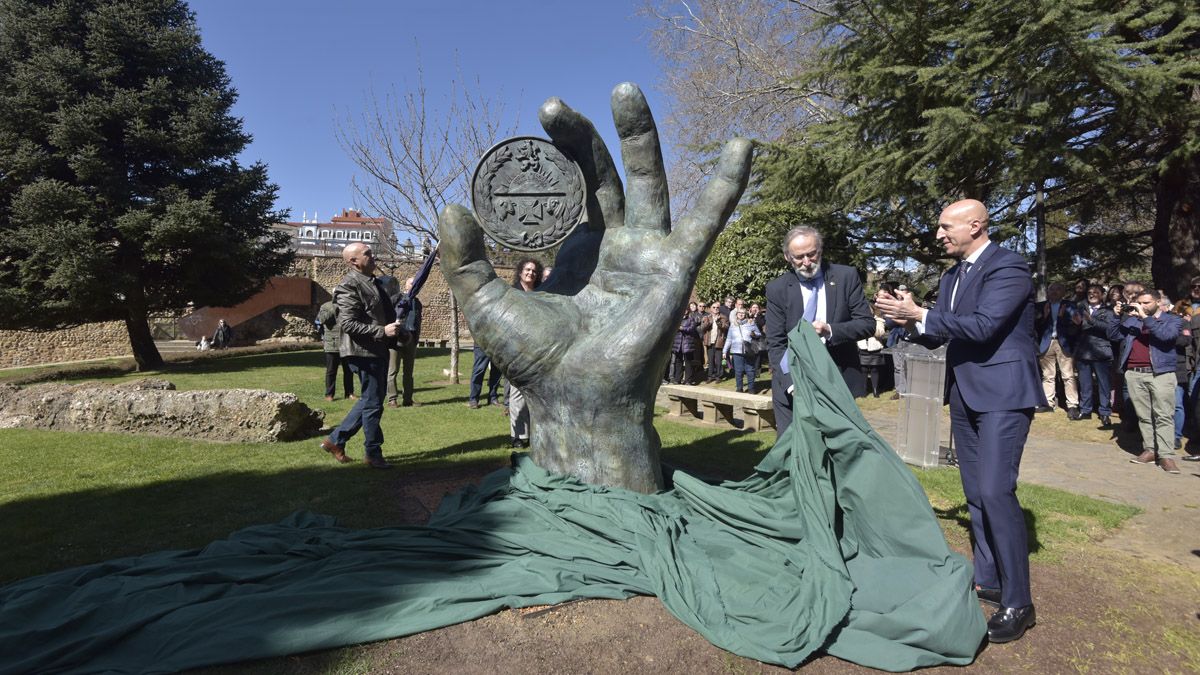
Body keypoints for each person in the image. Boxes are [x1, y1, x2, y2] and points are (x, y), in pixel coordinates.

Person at [875, 199, 1043, 643]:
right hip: (965, 394)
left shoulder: (1009, 267)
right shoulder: (952, 275)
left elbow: (985, 325)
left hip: (1005, 394)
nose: (938, 235)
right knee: (975, 493)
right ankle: (987, 579)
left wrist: (921, 314)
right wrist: (906, 316)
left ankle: (1018, 600)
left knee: (995, 489)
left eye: (946, 226)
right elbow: (940, 331)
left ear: (976, 224)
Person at [765, 225, 874, 434]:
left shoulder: (845, 277)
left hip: (837, 380)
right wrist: (791, 384)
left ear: (820, 250)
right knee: (794, 452)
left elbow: (866, 323)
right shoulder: (777, 288)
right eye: (799, 257)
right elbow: (776, 342)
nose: (806, 262)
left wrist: (830, 331)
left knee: (839, 452)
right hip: (794, 382)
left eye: (811, 254)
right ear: (787, 257)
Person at [319, 242, 407, 469]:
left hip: (375, 350)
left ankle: (336, 440)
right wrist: (381, 331)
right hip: (362, 352)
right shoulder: (349, 285)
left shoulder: (374, 283)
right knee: (373, 404)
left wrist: (398, 331)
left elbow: (383, 315)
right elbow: (347, 323)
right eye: (367, 253)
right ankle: (372, 453)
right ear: (353, 261)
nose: (372, 255)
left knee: (370, 400)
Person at [1110, 290, 1184, 473]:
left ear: (1158, 302)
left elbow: (1166, 337)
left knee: (1164, 415)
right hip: (1135, 373)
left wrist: (1144, 317)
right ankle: (1150, 450)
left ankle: (1166, 455)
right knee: (1144, 415)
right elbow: (1114, 335)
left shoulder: (1171, 320)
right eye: (1140, 303)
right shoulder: (1133, 320)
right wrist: (1116, 316)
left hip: (1160, 373)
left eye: (1146, 303)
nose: (1142, 306)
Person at [507, 258, 542, 448]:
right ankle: (518, 436)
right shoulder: (512, 293)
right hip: (517, 350)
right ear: (520, 272)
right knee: (517, 393)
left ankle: (536, 434)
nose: (531, 273)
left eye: (534, 271)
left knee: (537, 395)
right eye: (527, 270)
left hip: (538, 350)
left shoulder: (540, 293)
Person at [1034, 282, 1080, 417]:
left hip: (1063, 343)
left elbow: (1075, 325)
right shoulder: (1041, 306)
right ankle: (1048, 403)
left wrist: (1061, 318)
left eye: (1058, 289)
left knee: (1068, 375)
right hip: (1046, 343)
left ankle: (1072, 405)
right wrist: (1045, 315)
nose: (1054, 292)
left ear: (1063, 292)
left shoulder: (1070, 306)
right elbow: (1036, 326)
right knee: (1048, 376)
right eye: (1052, 289)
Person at [1073, 284, 1116, 425]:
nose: (1092, 295)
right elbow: (1073, 330)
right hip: (1083, 351)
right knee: (1085, 383)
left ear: (1102, 294)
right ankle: (1085, 410)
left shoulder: (1108, 310)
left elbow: (1109, 329)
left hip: (1100, 351)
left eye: (1096, 292)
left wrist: (1091, 320)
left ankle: (1104, 412)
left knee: (1104, 384)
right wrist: (1075, 324)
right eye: (1090, 292)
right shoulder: (1080, 308)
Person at [386, 277, 423, 408]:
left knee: (408, 372)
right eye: (411, 283)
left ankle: (408, 399)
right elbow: (388, 314)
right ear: (406, 285)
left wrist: (416, 338)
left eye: (415, 284)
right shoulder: (397, 298)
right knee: (392, 371)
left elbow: (418, 322)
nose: (413, 286)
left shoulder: (417, 303)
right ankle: (392, 399)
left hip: (411, 340)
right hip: (395, 340)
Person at [316, 299, 355, 401]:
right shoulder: (325, 306)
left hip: (346, 343)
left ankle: (349, 393)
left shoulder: (348, 304)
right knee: (331, 371)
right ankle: (329, 395)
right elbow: (322, 319)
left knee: (349, 371)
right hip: (332, 344)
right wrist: (334, 308)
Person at [723, 307, 761, 393]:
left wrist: (754, 334)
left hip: (749, 350)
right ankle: (739, 388)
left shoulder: (751, 323)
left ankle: (751, 388)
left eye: (743, 313)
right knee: (738, 371)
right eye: (739, 313)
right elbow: (729, 339)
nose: (741, 314)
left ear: (746, 314)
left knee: (750, 370)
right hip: (736, 351)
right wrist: (724, 351)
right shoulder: (733, 325)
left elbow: (759, 334)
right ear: (736, 315)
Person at [856, 301, 888, 398]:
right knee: (863, 369)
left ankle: (875, 390)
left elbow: (881, 333)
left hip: (875, 347)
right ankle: (863, 390)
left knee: (874, 370)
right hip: (863, 347)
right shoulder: (859, 320)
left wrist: (870, 327)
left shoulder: (879, 320)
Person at [700, 301, 729, 382]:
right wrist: (710, 322)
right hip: (710, 341)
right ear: (710, 309)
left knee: (719, 361)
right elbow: (702, 328)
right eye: (714, 307)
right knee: (711, 360)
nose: (716, 309)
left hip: (719, 342)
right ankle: (710, 376)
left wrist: (718, 322)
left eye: (717, 307)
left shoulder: (723, 317)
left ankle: (718, 376)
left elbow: (726, 327)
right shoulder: (706, 317)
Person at [671, 305, 700, 385]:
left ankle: (688, 380)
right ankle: (677, 379)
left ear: (688, 311)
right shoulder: (677, 320)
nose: (684, 311)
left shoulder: (691, 319)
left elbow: (692, 329)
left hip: (687, 344)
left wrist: (682, 328)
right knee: (678, 361)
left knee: (688, 362)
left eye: (686, 310)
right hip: (678, 344)